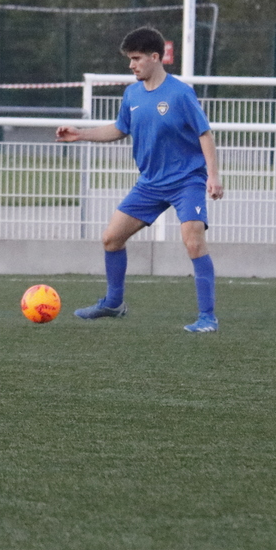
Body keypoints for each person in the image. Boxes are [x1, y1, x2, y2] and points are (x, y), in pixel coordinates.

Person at [55, 26, 224, 332]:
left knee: (193, 241)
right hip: (150, 183)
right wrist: (81, 134)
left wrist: (213, 176)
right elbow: (120, 129)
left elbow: (205, 134)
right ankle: (113, 303)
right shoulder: (132, 94)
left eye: (136, 58)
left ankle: (207, 318)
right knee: (111, 238)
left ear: (155, 57)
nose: (131, 65)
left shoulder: (180, 93)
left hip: (187, 181)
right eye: (130, 59)